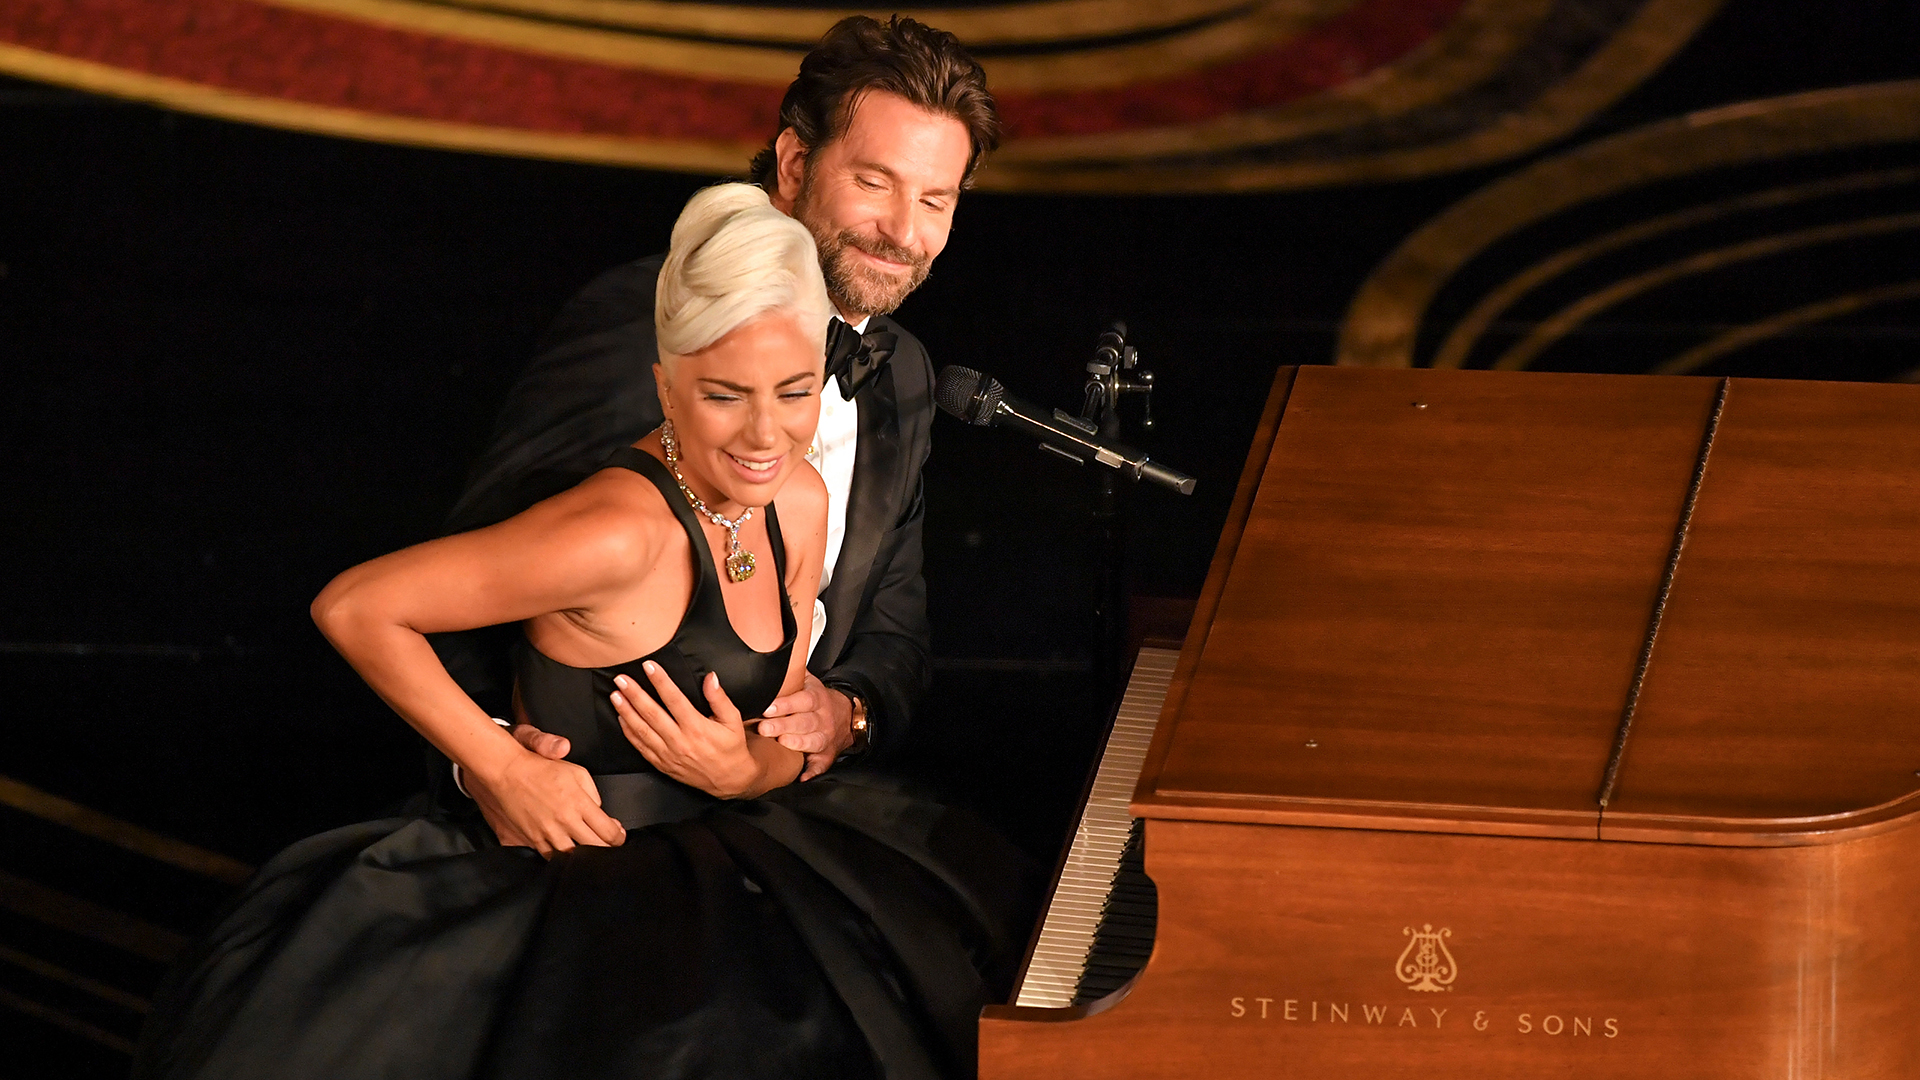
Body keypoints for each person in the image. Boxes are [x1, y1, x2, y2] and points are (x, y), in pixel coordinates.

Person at [133, 184, 1033, 1080]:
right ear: (665, 388)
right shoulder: (614, 532)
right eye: (725, 396)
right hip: (569, 883)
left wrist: (751, 767)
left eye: (794, 392)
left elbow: (786, 708)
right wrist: (503, 766)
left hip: (739, 857)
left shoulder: (797, 500)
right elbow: (357, 606)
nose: (767, 435)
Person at [433, 14, 997, 796]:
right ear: (795, 163)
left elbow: (893, 636)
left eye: (935, 200)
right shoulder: (647, 326)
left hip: (782, 798)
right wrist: (490, 762)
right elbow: (470, 575)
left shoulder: (901, 370)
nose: (904, 231)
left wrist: (845, 716)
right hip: (591, 804)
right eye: (875, 182)